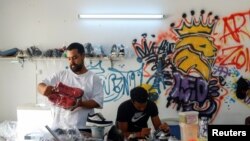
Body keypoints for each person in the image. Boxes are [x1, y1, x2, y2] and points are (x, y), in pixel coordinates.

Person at [37, 42, 104, 133]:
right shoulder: (61, 75)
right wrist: (44, 89)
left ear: (83, 56)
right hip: (59, 127)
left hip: (82, 128)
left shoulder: (94, 78)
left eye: (75, 58)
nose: (71, 62)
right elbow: (40, 85)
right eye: (69, 59)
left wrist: (79, 104)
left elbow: (97, 102)